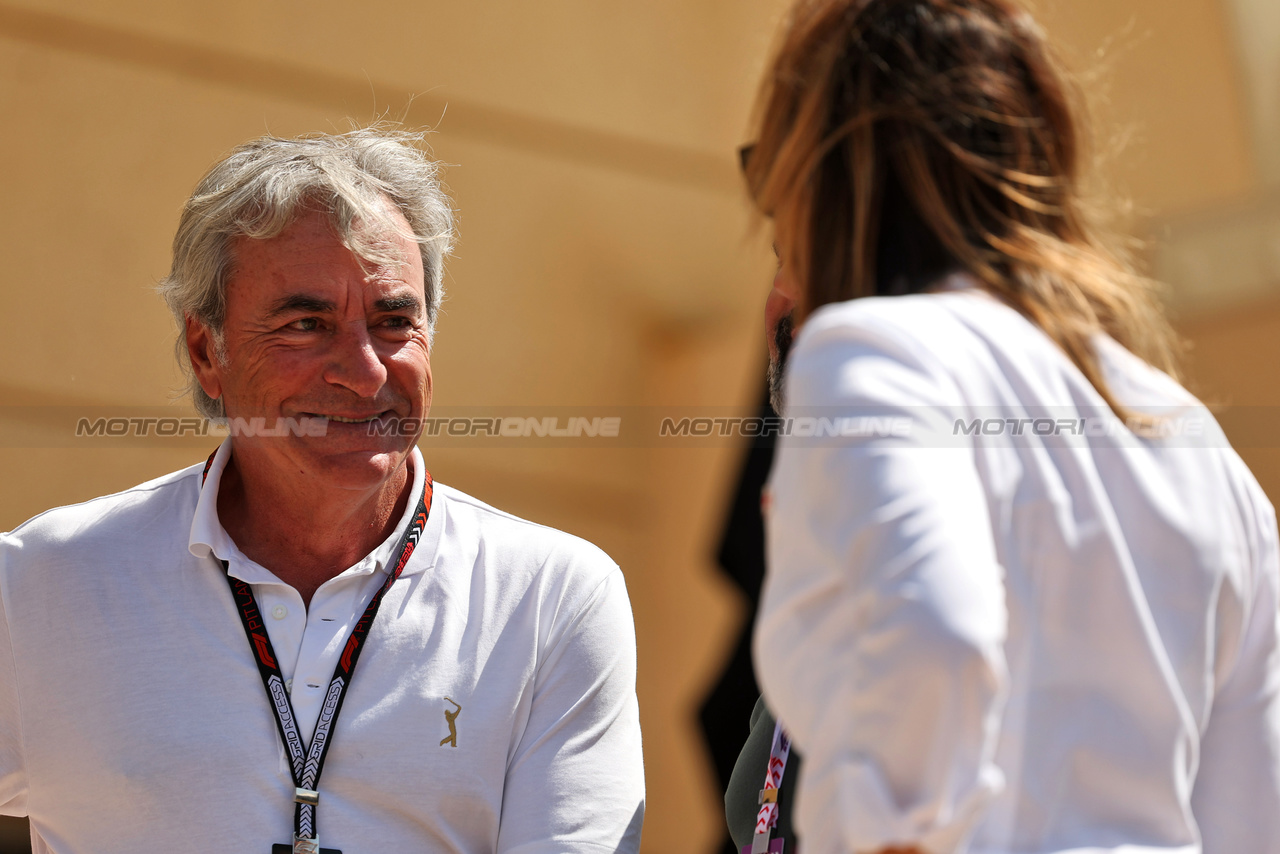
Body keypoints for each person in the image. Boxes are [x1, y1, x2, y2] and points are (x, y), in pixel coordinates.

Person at [0, 128, 644, 853]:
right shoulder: (41, 582)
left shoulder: (548, 597)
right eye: (306, 325)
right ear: (208, 353)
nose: (366, 372)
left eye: (395, 321)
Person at [742, 1, 1280, 853]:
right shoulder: (1191, 440)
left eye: (770, 165)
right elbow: (1254, 812)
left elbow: (937, 637)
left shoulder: (873, 354)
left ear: (832, 171)